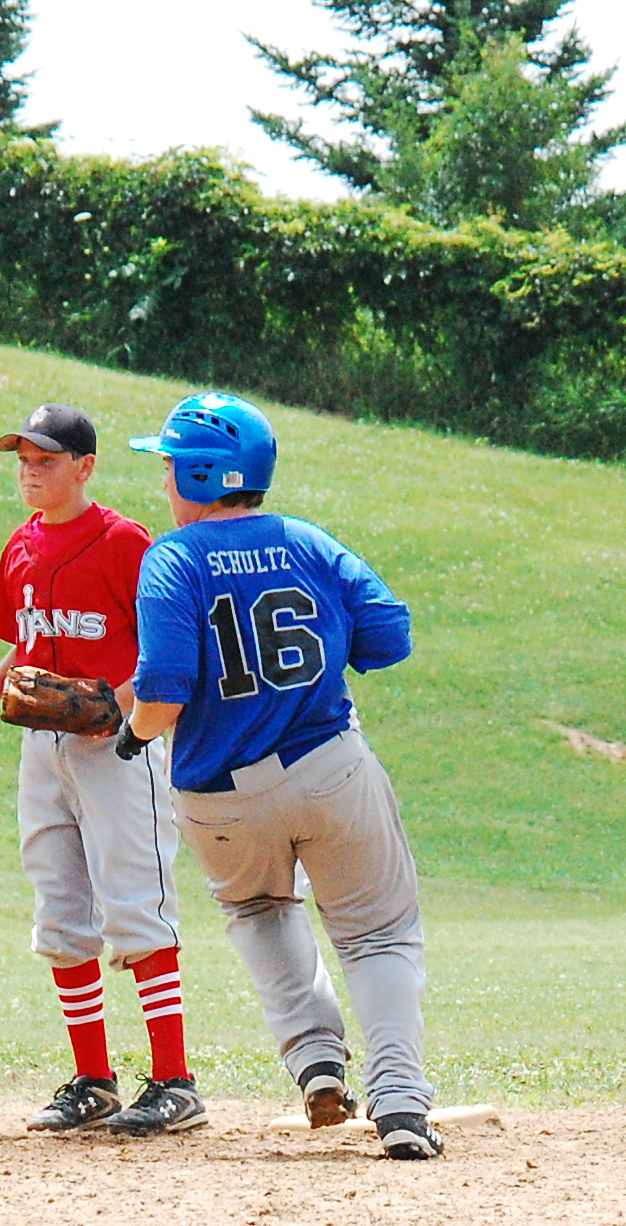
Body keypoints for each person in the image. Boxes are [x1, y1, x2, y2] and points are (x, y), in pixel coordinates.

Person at [113, 392, 443, 1160]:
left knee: (259, 909)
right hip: (329, 768)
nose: (164, 479)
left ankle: (316, 1061)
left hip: (218, 795)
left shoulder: (172, 559)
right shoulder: (306, 540)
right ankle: (399, 1103)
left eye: (170, 465)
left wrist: (133, 735)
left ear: (201, 476)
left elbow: (163, 689)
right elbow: (389, 636)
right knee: (377, 934)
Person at [0, 403, 202, 1136]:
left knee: (136, 903)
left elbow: (165, 638)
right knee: (59, 910)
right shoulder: (22, 546)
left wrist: (119, 705)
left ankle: (176, 1082)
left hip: (119, 748)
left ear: (85, 467)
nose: (30, 472)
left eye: (46, 460)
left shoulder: (125, 543)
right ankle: (94, 1082)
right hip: (43, 750)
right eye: (23, 461)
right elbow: (25, 642)